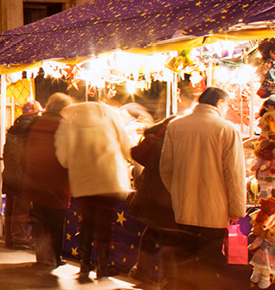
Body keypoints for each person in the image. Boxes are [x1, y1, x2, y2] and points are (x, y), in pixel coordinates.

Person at [160, 86, 246, 288]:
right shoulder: (227, 129)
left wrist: (179, 193)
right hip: (214, 212)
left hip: (183, 210)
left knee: (183, 258)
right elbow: (234, 175)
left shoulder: (176, 126)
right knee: (209, 263)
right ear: (220, 103)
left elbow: (165, 168)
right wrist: (236, 209)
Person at [55, 88, 133, 282]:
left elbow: (62, 155)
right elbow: (126, 144)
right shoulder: (110, 114)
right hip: (109, 176)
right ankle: (103, 264)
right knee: (105, 222)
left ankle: (84, 264)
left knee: (87, 220)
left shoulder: (69, 119)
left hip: (83, 178)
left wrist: (74, 162)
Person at [126, 81, 194, 285]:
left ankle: (142, 270)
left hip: (150, 192)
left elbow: (137, 155)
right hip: (165, 194)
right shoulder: (170, 140)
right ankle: (169, 279)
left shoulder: (156, 136)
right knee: (169, 236)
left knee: (155, 231)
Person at [23, 93, 72, 270]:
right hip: (55, 180)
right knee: (56, 221)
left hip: (35, 179)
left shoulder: (37, 123)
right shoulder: (63, 125)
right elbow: (66, 155)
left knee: (41, 220)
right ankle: (55, 256)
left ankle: (42, 255)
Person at [2, 100, 42, 248]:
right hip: (21, 172)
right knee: (21, 207)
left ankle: (9, 238)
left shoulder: (15, 126)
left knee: (11, 206)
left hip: (10, 171)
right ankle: (18, 238)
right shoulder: (31, 128)